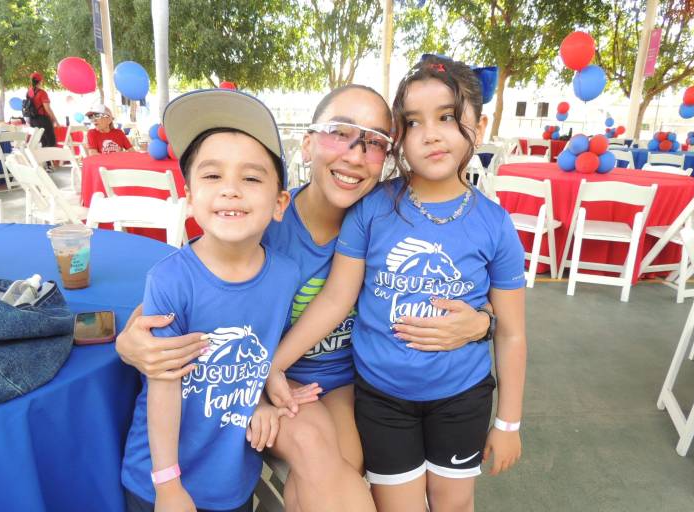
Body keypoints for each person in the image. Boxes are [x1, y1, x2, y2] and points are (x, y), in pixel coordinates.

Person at [115, 83, 495, 511]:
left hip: (349, 383)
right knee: (316, 454)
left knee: (342, 469)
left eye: (374, 142)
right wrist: (128, 343)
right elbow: (186, 293)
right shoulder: (263, 217)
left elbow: (464, 275)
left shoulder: (394, 222)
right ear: (309, 143)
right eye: (340, 132)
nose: (353, 154)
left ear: (389, 158)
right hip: (273, 380)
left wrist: (483, 322)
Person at [267, 54, 527, 511]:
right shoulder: (371, 211)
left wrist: (508, 423)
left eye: (448, 117)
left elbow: (511, 329)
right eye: (412, 122)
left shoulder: (495, 225)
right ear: (400, 142)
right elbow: (335, 298)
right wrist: (274, 366)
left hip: (460, 395)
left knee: (453, 503)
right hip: (380, 397)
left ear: (478, 127)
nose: (431, 133)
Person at [121, 88, 321, 512]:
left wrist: (265, 400)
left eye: (250, 178)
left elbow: (261, 356)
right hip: (160, 481)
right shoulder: (170, 280)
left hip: (232, 479)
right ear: (190, 197)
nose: (230, 189)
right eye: (212, 176)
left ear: (280, 203)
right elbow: (162, 386)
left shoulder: (285, 275)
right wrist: (168, 486)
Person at [26, 72, 59, 147]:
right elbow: (47, 108)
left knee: (43, 143)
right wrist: (55, 120)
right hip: (43, 121)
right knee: (51, 144)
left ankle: (44, 158)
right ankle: (50, 158)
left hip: (33, 121)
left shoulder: (28, 92)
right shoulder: (42, 93)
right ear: (40, 81)